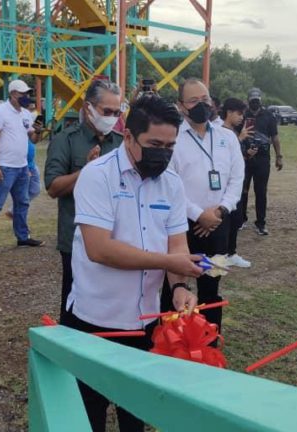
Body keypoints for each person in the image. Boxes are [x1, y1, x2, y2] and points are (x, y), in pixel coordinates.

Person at [61, 96, 200, 432]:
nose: (163, 153)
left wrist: (179, 285)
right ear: (128, 137)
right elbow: (100, 249)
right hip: (96, 321)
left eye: (170, 146)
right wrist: (169, 261)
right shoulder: (97, 176)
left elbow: (177, 243)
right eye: (154, 144)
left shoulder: (172, 183)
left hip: (145, 321)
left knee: (134, 410)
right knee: (89, 411)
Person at [164, 78, 245, 329]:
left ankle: (209, 339)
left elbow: (236, 177)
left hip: (219, 223)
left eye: (205, 99)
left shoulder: (227, 137)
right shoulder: (173, 139)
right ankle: (172, 341)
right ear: (181, 105)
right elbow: (170, 184)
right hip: (183, 226)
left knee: (211, 284)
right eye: (193, 100)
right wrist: (199, 215)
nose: (201, 105)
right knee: (176, 286)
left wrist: (219, 211)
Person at [44, 80, 122, 316]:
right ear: (88, 108)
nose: (111, 117)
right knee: (75, 300)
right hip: (77, 238)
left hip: (117, 236)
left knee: (112, 299)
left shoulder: (121, 143)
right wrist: (87, 171)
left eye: (117, 112)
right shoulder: (65, 140)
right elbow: (53, 188)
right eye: (106, 111)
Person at [0, 80, 44, 252]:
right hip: (5, 167)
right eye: (23, 94)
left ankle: (23, 237)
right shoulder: (0, 112)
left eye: (27, 94)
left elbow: (33, 139)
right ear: (13, 94)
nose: (26, 97)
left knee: (22, 203)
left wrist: (39, 131)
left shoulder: (26, 114)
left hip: (22, 167)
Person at [239, 87, 283, 236]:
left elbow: (275, 137)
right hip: (245, 158)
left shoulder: (269, 116)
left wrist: (279, 156)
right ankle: (241, 219)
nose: (255, 103)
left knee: (261, 191)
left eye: (257, 101)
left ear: (261, 100)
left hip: (263, 158)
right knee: (242, 190)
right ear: (248, 101)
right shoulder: (242, 116)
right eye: (252, 101)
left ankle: (261, 223)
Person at [220, 97, 253, 268]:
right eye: (239, 114)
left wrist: (247, 152)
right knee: (228, 221)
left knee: (236, 220)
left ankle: (231, 252)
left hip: (237, 184)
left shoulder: (233, 133)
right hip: (225, 188)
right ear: (229, 112)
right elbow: (223, 159)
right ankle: (224, 254)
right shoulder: (220, 132)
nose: (241, 118)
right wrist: (239, 139)